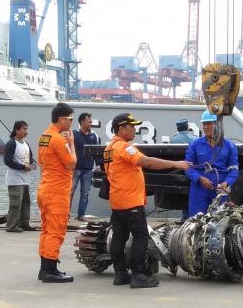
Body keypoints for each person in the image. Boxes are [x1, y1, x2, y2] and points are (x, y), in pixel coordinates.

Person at [106, 112, 188, 289]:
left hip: (117, 201)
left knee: (119, 237)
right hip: (130, 202)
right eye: (131, 126)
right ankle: (138, 275)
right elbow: (147, 162)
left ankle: (120, 274)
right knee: (141, 236)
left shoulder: (109, 149)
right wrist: (176, 164)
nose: (134, 129)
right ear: (121, 128)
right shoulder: (124, 147)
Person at [36, 103, 77, 283]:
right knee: (56, 231)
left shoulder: (44, 136)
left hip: (45, 189)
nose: (71, 123)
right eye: (70, 119)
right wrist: (72, 144)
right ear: (61, 119)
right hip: (57, 192)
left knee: (46, 230)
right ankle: (50, 270)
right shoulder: (59, 139)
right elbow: (71, 164)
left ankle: (45, 267)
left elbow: (41, 161)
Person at [185, 110, 239, 216]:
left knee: (219, 221)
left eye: (208, 124)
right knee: (196, 220)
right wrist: (200, 178)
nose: (205, 127)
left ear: (218, 125)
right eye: (204, 124)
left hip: (220, 191)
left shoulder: (229, 146)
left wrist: (226, 183)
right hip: (199, 190)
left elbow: (234, 170)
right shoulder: (195, 144)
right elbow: (187, 167)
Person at [3, 120, 37, 233]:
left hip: (25, 179)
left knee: (26, 202)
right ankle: (11, 226)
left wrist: (33, 164)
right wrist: (23, 167)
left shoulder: (25, 143)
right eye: (24, 129)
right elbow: (7, 161)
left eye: (26, 129)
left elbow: (30, 157)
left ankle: (24, 223)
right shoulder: (11, 143)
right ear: (17, 130)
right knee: (15, 203)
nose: (26, 131)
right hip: (14, 179)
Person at [70, 112, 100, 221]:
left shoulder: (94, 135)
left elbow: (97, 152)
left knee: (85, 193)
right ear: (82, 122)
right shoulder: (73, 134)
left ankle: (81, 215)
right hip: (75, 168)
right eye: (89, 121)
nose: (91, 124)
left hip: (88, 169)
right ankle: (65, 214)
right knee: (70, 192)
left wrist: (98, 165)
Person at [169, 118, 198, 220]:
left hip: (179, 172)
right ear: (187, 127)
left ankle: (185, 217)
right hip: (193, 171)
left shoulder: (173, 140)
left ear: (178, 128)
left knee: (183, 195)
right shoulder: (195, 139)